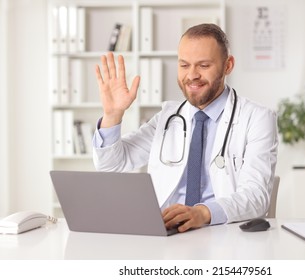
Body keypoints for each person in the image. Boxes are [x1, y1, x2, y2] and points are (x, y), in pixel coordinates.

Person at [93, 23, 278, 233]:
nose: (192, 75)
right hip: (166, 234)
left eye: (204, 65)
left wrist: (203, 213)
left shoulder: (258, 118)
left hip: (222, 234)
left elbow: (256, 196)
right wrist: (112, 115)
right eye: (184, 65)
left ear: (228, 65)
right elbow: (111, 166)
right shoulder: (168, 117)